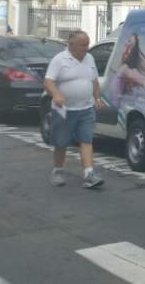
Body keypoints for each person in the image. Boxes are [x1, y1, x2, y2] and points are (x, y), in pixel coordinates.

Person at [43, 31, 104, 189]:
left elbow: (94, 81)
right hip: (64, 110)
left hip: (86, 107)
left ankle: (89, 174)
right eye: (83, 45)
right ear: (71, 45)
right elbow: (48, 82)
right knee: (61, 142)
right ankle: (57, 170)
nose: (87, 48)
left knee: (86, 140)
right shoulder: (59, 60)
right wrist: (56, 95)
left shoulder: (89, 58)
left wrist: (97, 98)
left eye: (88, 44)